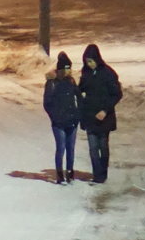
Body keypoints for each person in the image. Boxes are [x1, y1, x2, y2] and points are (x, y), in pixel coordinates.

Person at [78, 43, 122, 184]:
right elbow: (81, 89)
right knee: (92, 147)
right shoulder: (85, 73)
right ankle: (97, 174)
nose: (89, 64)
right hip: (90, 116)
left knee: (103, 146)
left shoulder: (108, 73)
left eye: (91, 61)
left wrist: (105, 110)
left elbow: (116, 94)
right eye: (87, 62)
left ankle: (103, 173)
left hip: (104, 117)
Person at [43, 51, 80, 184]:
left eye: (70, 68)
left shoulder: (71, 81)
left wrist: (78, 114)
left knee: (71, 148)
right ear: (60, 70)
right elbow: (47, 103)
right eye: (67, 68)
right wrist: (55, 117)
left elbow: (79, 97)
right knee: (61, 147)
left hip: (72, 120)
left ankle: (70, 172)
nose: (69, 71)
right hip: (59, 123)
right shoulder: (52, 83)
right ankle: (60, 173)